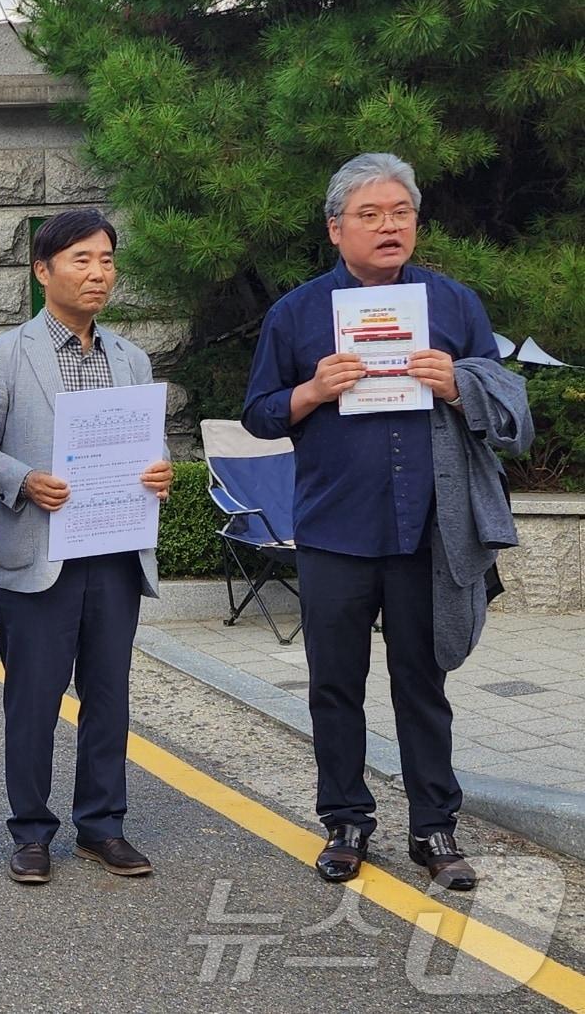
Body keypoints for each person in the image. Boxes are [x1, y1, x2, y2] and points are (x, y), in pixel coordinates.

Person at [243, 152, 532, 890]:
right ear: (336, 229)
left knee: (422, 684)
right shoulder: (298, 313)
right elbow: (261, 413)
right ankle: (345, 820)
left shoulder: (453, 303)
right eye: (369, 216)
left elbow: (506, 400)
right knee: (334, 684)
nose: (388, 227)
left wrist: (459, 384)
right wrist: (311, 391)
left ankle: (435, 829)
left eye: (400, 214)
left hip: (426, 531)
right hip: (335, 530)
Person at [0, 208, 172, 886]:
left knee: (110, 696)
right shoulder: (3, 356)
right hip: (40, 556)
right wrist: (23, 480)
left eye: (107, 259)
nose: (99, 272)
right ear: (43, 269)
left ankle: (102, 826)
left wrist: (160, 470)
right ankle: (30, 831)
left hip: (115, 553)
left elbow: (149, 442)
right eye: (82, 259)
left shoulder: (131, 358)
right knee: (33, 699)